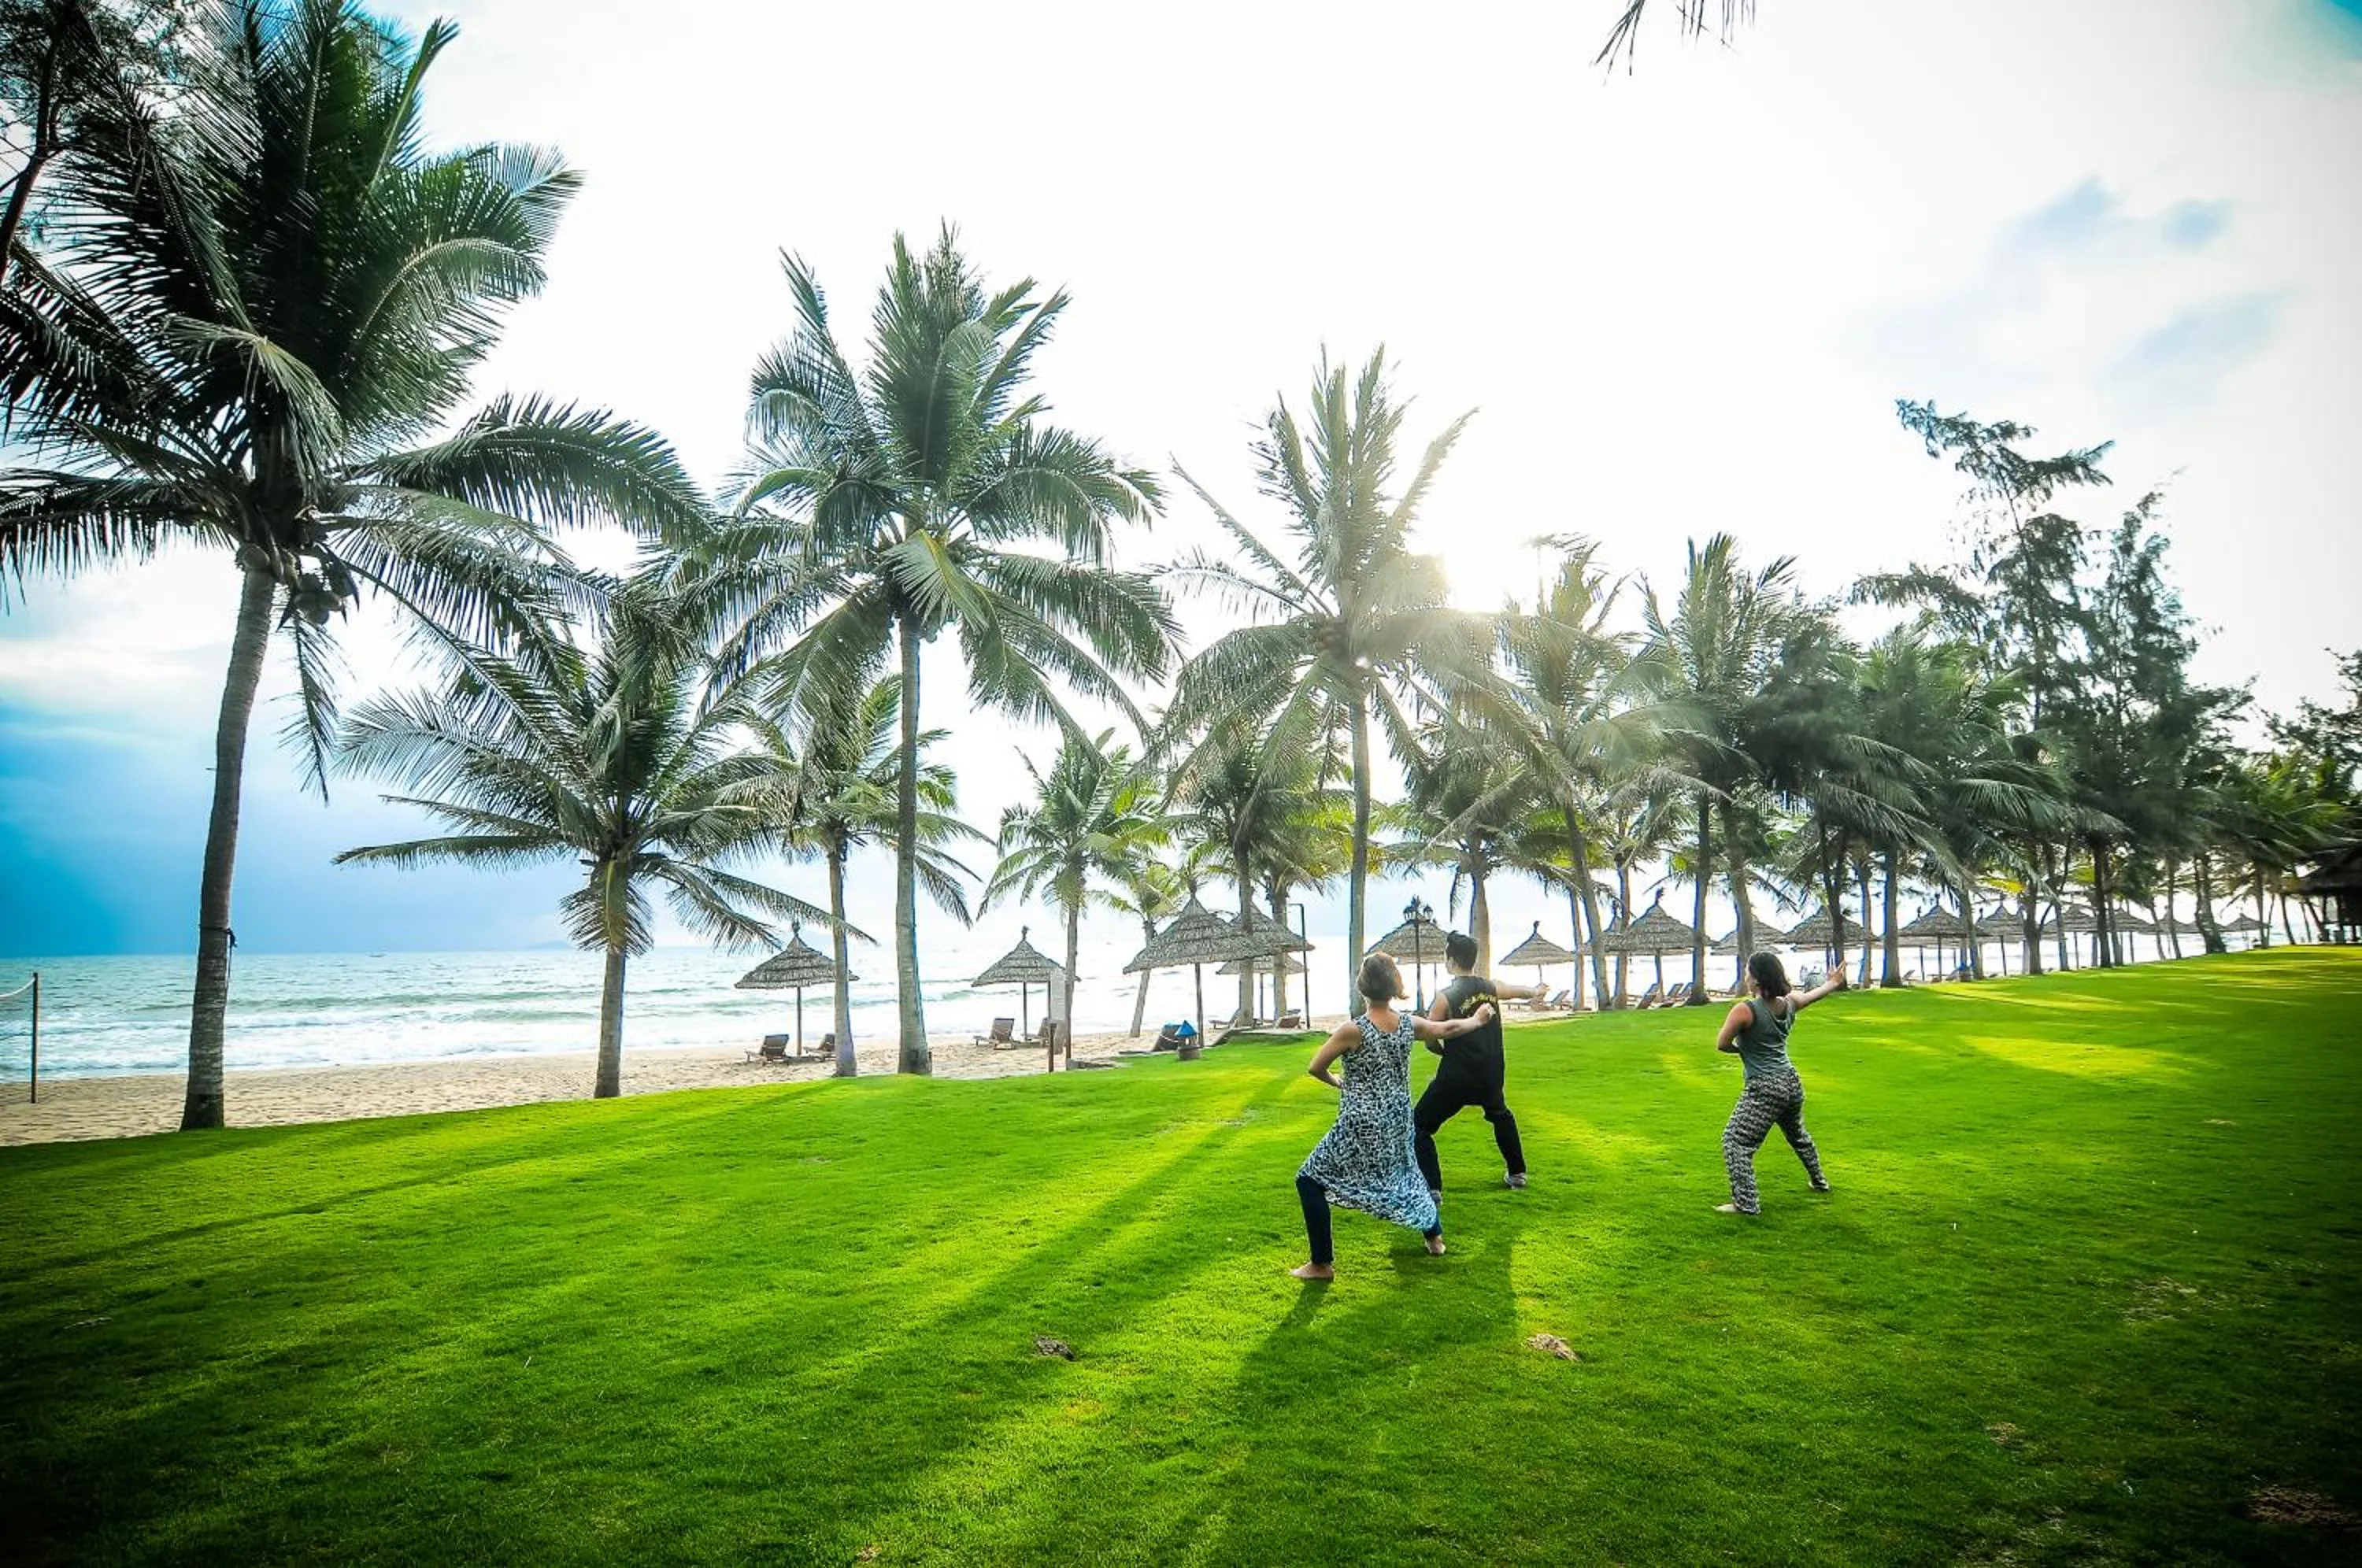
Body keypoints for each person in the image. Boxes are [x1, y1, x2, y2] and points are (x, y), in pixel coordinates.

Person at [1292, 953, 1496, 1280]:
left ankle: (1321, 1264)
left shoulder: (1352, 1030)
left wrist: (1339, 1082)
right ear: (1394, 987)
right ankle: (1435, 1239)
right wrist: (1478, 1020)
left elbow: (1316, 1067)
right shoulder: (1408, 1024)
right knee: (1407, 1173)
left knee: (1309, 1179)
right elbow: (1448, 1027)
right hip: (1398, 1118)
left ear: (1363, 987)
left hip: (1361, 1120)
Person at [1712, 951, 1845, 1215]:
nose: (1746, 975)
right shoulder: (1790, 1002)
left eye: (1748, 970)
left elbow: (1722, 1044)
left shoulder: (1744, 1010)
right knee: (1798, 1135)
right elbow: (1814, 995)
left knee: (1735, 1142)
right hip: (1791, 1082)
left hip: (1765, 1086)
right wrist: (1832, 982)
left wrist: (1744, 1051)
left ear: (1757, 978)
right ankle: (1819, 1182)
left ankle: (1746, 1205)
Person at [1416, 931, 1543, 1195]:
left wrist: (1443, 1053)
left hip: (1456, 1077)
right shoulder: (1490, 987)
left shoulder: (1445, 996)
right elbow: (1515, 990)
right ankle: (1518, 1174)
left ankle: (1432, 1190)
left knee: (1418, 1127)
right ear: (1473, 960)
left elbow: (1430, 1036)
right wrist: (1535, 991)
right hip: (1490, 1074)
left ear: (1450, 961)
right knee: (1500, 1115)